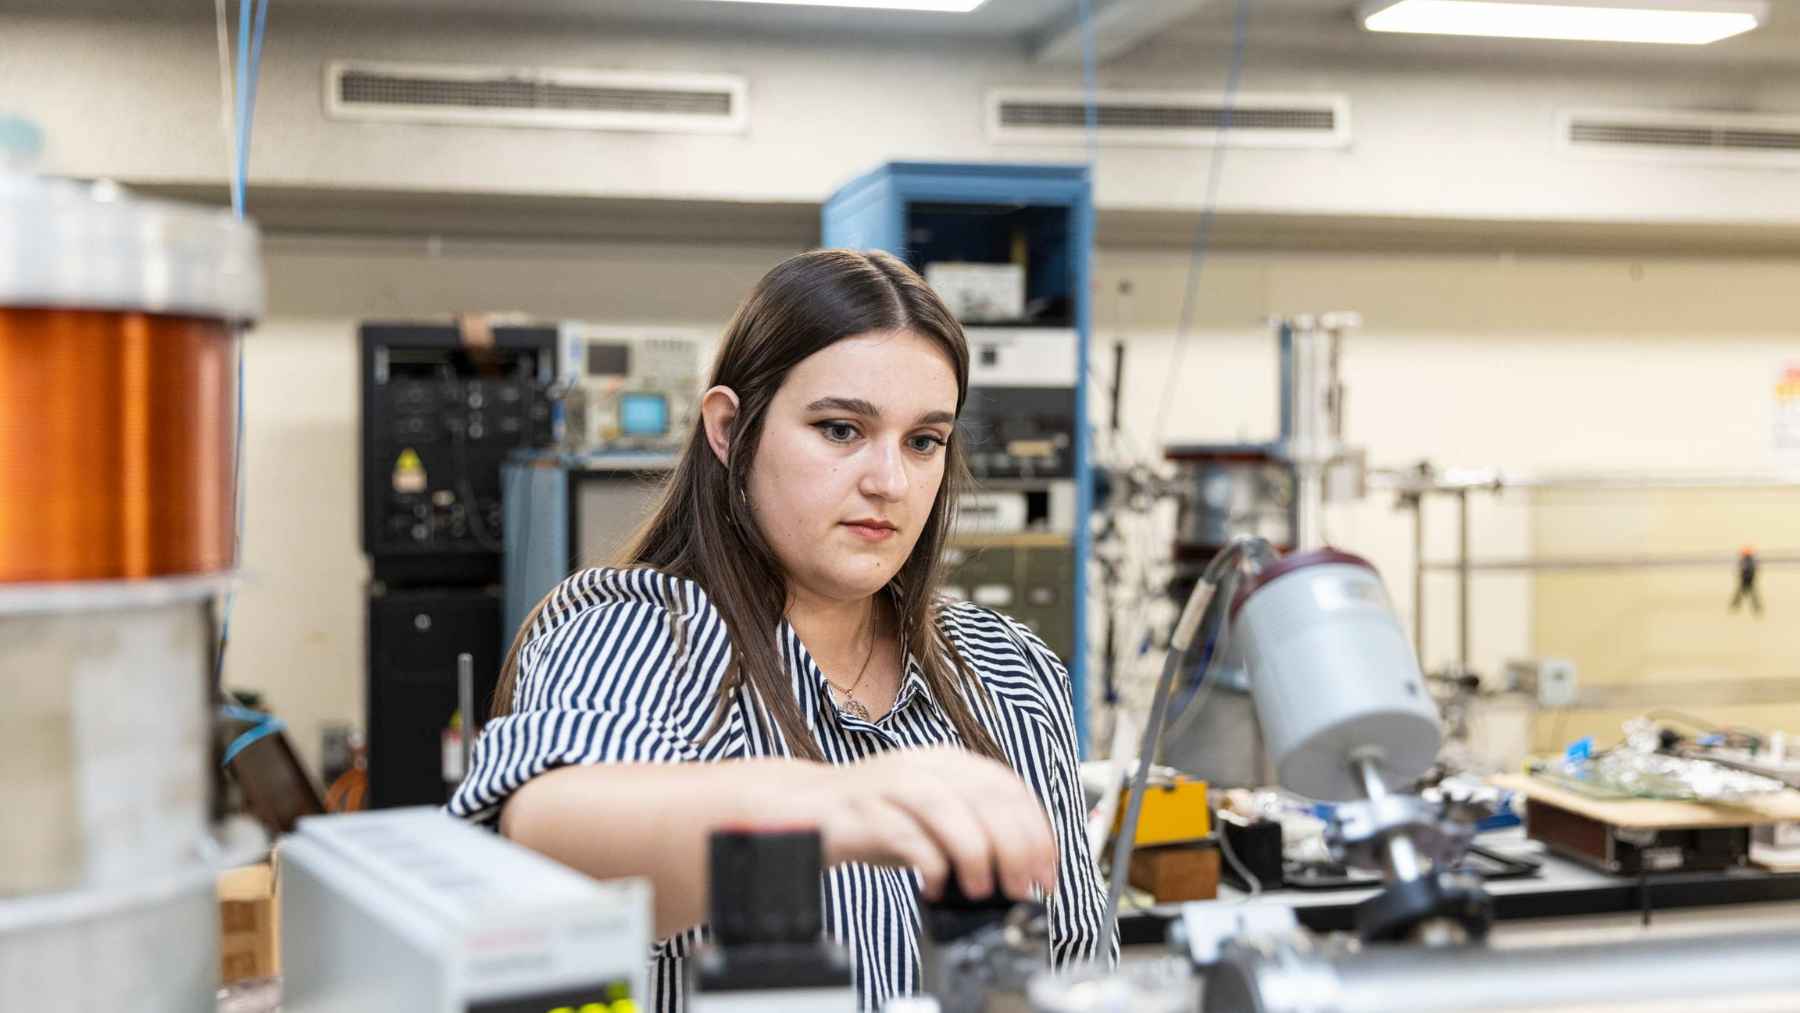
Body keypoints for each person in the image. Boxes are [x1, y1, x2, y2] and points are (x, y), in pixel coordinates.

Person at [448, 248, 1115, 1011]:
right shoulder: (639, 634)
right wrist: (834, 803)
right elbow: (549, 838)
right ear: (731, 429)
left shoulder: (1006, 670)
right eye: (840, 429)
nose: (888, 481)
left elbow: (1074, 964)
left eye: (923, 441)